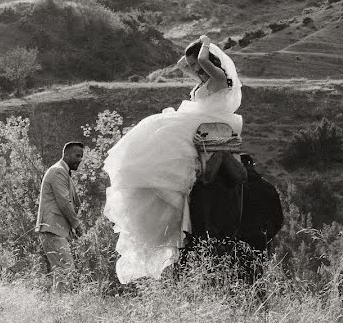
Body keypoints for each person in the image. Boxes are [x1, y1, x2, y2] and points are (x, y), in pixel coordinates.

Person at [103, 35, 243, 284]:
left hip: (207, 121)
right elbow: (181, 64)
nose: (197, 70)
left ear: (210, 61)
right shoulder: (204, 79)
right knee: (155, 127)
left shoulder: (220, 78)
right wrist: (195, 51)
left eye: (201, 66)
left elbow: (199, 59)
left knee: (159, 128)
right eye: (197, 68)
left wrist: (206, 43)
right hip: (196, 118)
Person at [35, 142, 84, 292]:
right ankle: (63, 307)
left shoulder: (63, 172)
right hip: (53, 229)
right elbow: (64, 202)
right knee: (66, 269)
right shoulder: (58, 171)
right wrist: (77, 225)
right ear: (66, 154)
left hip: (57, 230)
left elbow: (73, 202)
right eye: (77, 155)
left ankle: (58, 307)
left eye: (81, 156)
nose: (80, 159)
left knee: (62, 271)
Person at [238, 153, 284, 256]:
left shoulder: (234, 187)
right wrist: (267, 236)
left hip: (237, 241)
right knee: (257, 271)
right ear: (252, 165)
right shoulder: (268, 187)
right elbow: (278, 219)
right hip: (260, 240)